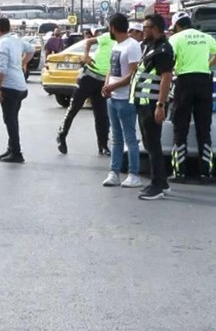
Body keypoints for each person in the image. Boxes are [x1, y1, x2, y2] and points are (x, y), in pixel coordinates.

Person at [168, 12, 216, 182]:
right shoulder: (205, 37)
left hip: (184, 82)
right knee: (204, 129)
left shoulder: (176, 38)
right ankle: (206, 173)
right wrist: (207, 65)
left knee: (180, 128)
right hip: (204, 82)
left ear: (177, 25)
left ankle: (180, 173)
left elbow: (169, 61)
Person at [131, 14, 174, 200]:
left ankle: (156, 184)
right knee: (149, 143)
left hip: (152, 103)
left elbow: (166, 78)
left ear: (156, 28)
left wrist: (160, 105)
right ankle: (162, 182)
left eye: (146, 26)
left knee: (153, 143)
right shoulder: (149, 46)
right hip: (142, 102)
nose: (143, 30)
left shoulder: (163, 49)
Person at [99, 14, 143, 188]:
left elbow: (132, 75)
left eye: (109, 26)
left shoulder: (132, 46)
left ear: (113, 28)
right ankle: (114, 172)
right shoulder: (116, 45)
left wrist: (112, 87)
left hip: (125, 98)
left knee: (129, 138)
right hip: (113, 97)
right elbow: (111, 68)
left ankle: (134, 174)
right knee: (116, 138)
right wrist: (106, 85)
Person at [57, 23, 114, 155]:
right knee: (74, 107)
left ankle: (103, 145)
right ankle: (61, 135)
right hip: (88, 76)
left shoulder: (125, 44)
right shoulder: (107, 37)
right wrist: (86, 55)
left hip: (103, 81)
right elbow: (88, 41)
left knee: (102, 115)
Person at [0, 17, 35, 163]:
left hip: (9, 87)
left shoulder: (2, 44)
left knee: (10, 120)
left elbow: (1, 70)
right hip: (20, 86)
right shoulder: (16, 40)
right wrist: (22, 64)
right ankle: (11, 149)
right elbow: (32, 49)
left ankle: (16, 152)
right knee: (12, 119)